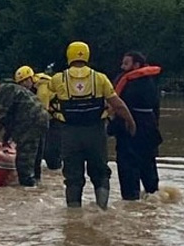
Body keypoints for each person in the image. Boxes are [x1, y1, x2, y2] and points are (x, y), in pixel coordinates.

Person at [48, 41, 135, 209]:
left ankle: (73, 215)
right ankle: (102, 209)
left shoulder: (58, 79)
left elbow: (45, 101)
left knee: (72, 176)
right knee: (100, 172)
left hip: (70, 134)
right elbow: (118, 104)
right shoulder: (100, 78)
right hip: (95, 133)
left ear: (69, 56)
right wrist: (130, 121)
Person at [0, 72, 50, 187]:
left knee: (23, 163)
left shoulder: (3, 90)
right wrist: (6, 139)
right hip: (41, 119)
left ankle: (28, 190)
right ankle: (37, 187)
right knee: (35, 160)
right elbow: (8, 119)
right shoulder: (11, 87)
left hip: (30, 122)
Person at [110, 50, 163, 199]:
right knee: (148, 164)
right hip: (149, 128)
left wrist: (112, 127)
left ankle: (130, 199)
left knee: (127, 166)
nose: (122, 67)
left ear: (136, 65)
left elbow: (117, 106)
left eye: (126, 63)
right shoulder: (151, 82)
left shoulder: (125, 81)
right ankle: (152, 194)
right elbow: (156, 108)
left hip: (129, 129)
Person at [14, 65, 62, 177]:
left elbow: (41, 110)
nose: (23, 85)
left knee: (52, 153)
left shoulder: (43, 87)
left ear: (30, 78)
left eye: (24, 81)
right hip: (47, 120)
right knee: (43, 150)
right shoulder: (32, 88)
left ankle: (57, 173)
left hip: (56, 120)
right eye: (20, 83)